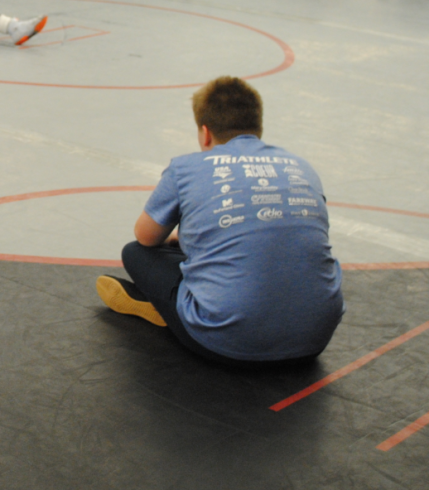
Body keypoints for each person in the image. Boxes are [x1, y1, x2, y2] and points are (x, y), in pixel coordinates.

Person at [96, 76, 344, 366]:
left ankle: (166, 310)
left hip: (226, 344)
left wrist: (182, 237)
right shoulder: (302, 166)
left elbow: (146, 236)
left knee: (135, 253)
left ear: (205, 133)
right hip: (314, 338)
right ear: (258, 127)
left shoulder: (186, 167)